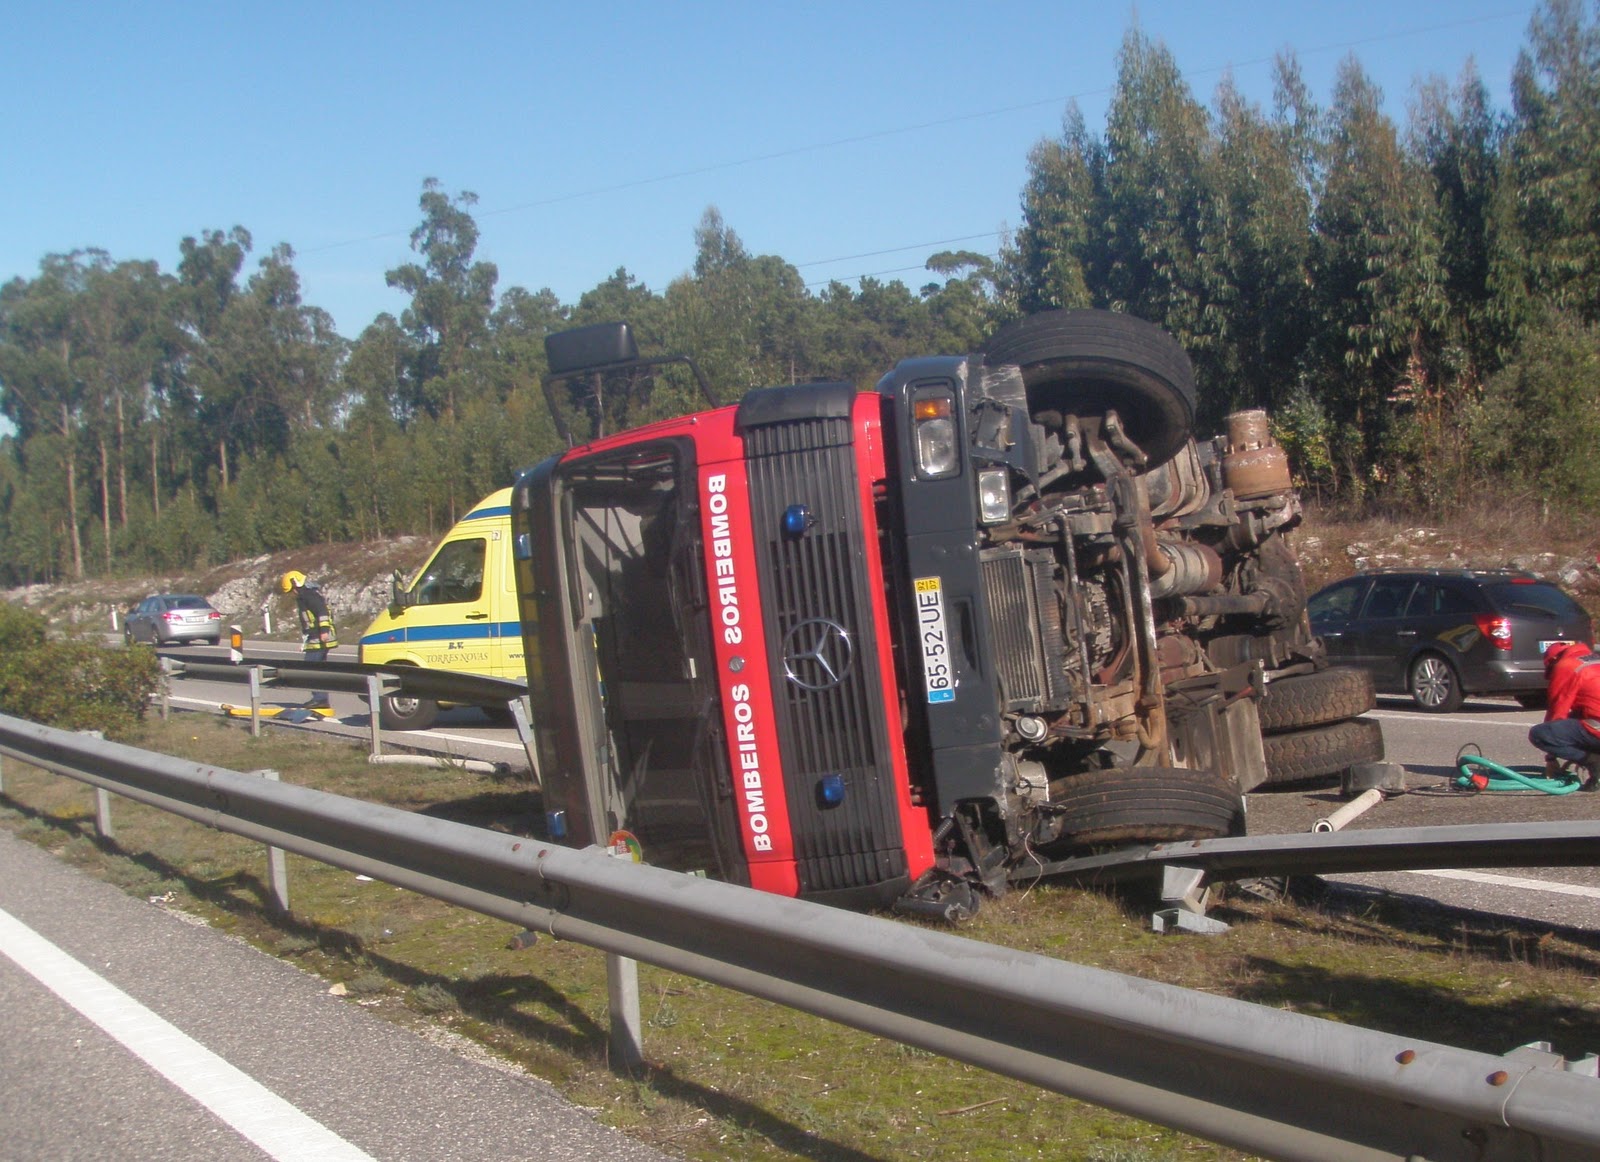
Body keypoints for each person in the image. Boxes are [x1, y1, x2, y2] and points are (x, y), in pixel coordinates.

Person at [1529, 640, 1600, 791]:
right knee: (1577, 719)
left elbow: (1557, 714)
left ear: (1553, 660)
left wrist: (1551, 758)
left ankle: (1594, 762)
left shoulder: (1565, 666)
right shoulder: (1594, 659)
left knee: (1540, 733)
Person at [279, 570, 338, 710]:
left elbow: (322, 611)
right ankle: (320, 698)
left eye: (292, 590)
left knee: (311, 669)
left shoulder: (308, 595)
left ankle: (320, 699)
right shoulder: (307, 595)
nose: (292, 593)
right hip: (315, 637)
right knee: (318, 669)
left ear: (296, 585)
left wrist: (324, 631)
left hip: (319, 638)